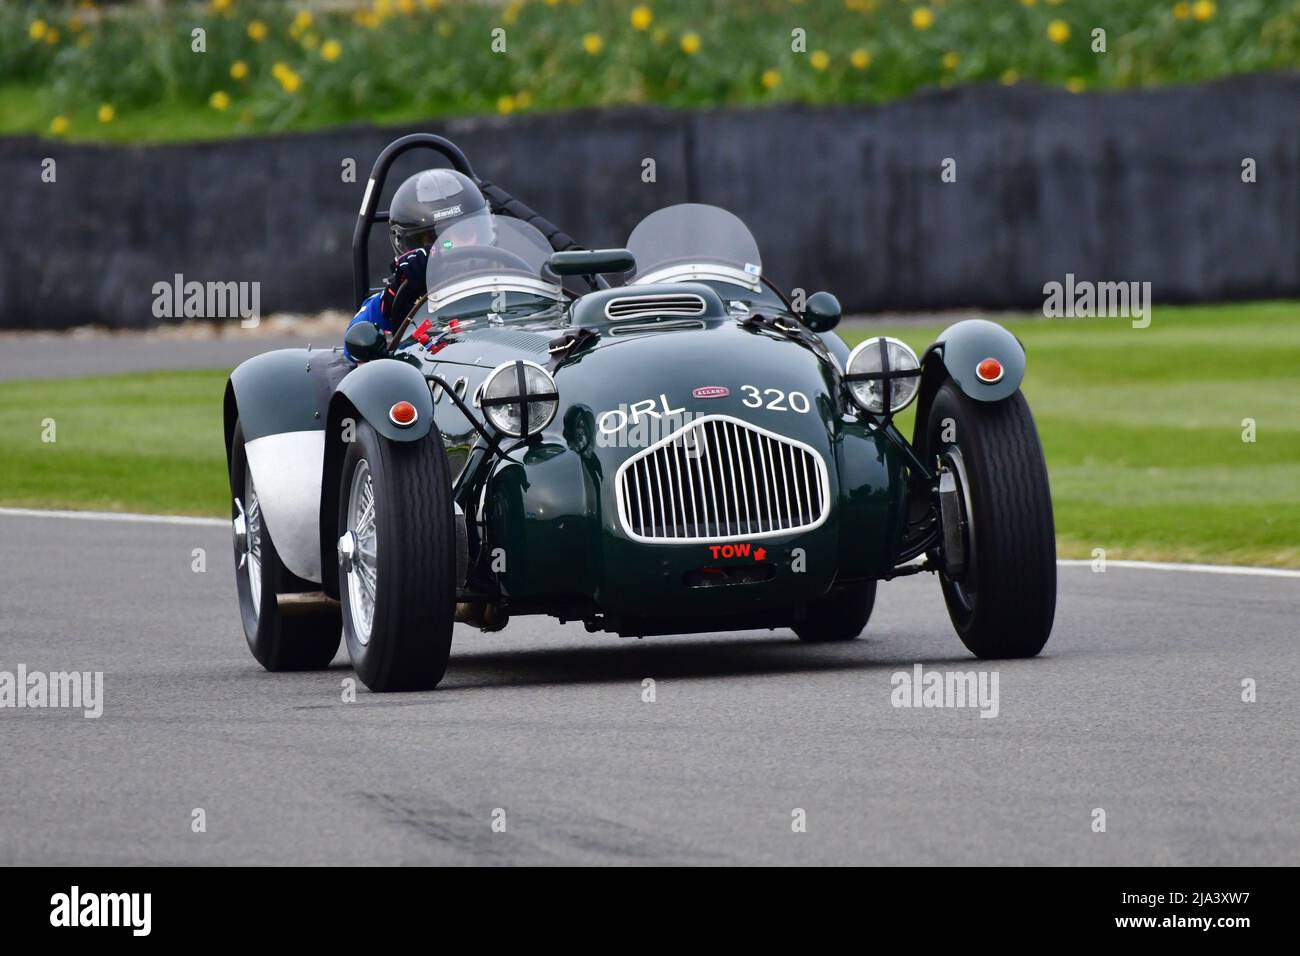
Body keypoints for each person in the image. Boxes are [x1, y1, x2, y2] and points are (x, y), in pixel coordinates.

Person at [344, 168, 495, 360]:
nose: (455, 246)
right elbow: (353, 347)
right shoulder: (398, 296)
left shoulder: (511, 275)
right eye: (437, 240)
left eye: (465, 233)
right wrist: (395, 297)